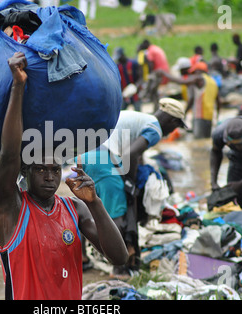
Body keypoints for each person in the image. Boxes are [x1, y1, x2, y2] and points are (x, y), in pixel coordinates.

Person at [0, 52, 128, 300]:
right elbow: (9, 154)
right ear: (25, 172)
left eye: (54, 170)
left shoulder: (74, 209)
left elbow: (119, 257)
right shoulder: (12, 207)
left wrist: (95, 203)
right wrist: (18, 86)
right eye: (40, 169)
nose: (49, 176)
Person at [80, 97, 187, 277]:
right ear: (173, 121)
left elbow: (135, 156)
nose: (172, 132)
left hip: (85, 154)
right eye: (176, 127)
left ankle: (82, 257)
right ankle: (119, 268)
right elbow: (131, 154)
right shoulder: (155, 129)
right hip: (103, 159)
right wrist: (129, 184)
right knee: (118, 216)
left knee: (92, 207)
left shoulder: (140, 118)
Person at [157, 61, 220, 139]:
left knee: (198, 141)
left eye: (194, 72)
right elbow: (218, 101)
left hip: (200, 116)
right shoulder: (213, 82)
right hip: (210, 116)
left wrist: (164, 74)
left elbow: (182, 82)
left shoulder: (199, 78)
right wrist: (217, 116)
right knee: (205, 139)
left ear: (199, 71)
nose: (193, 75)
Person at [113, 47, 143, 111]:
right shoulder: (118, 66)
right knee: (121, 112)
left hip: (135, 93)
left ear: (122, 55)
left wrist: (136, 86)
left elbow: (141, 77)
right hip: (125, 94)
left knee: (138, 112)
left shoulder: (133, 64)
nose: (119, 60)